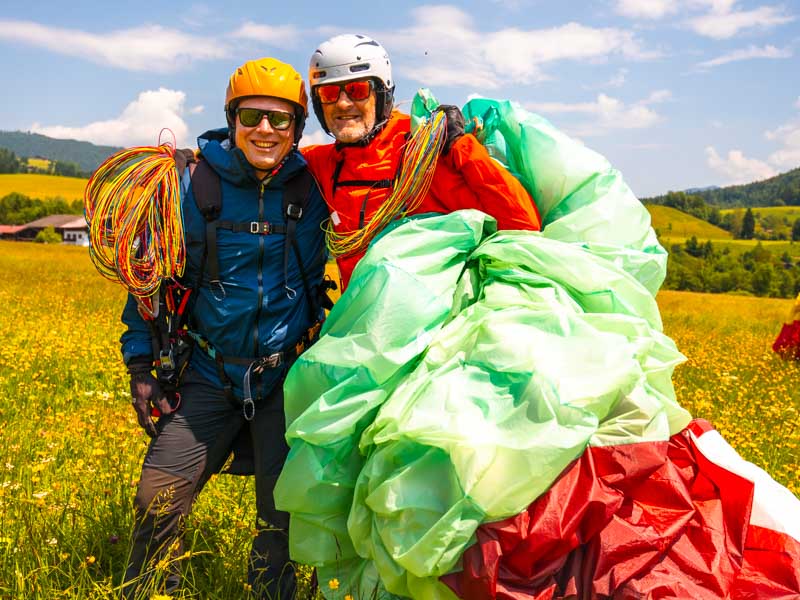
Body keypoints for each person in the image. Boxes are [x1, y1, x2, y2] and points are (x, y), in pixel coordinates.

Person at [120, 57, 328, 599]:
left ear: (297, 130)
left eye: (280, 121)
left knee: (285, 517)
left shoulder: (315, 187)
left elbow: (380, 174)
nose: (265, 130)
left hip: (286, 377)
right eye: (253, 116)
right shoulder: (190, 183)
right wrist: (142, 366)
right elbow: (147, 278)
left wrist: (445, 136)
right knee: (156, 500)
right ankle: (148, 592)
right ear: (232, 119)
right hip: (208, 375)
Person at [302, 33, 543, 289]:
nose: (342, 103)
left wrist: (458, 144)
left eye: (357, 90)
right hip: (361, 322)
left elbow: (522, 225)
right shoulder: (320, 164)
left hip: (432, 323)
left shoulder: (424, 153)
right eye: (329, 93)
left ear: (382, 92)